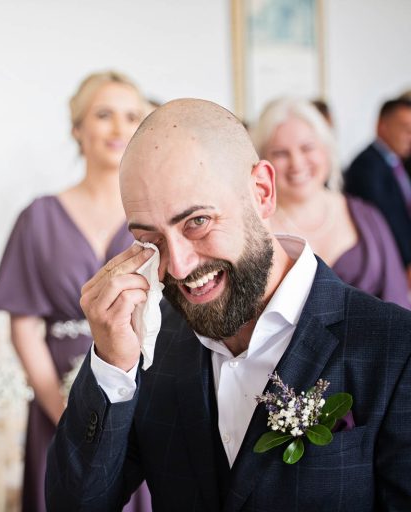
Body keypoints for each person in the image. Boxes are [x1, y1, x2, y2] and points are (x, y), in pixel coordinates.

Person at [46, 99, 411, 510]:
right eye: (151, 238)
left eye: (197, 222)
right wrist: (112, 366)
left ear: (262, 193)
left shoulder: (396, 349)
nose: (179, 266)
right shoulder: (148, 344)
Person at [0, 71, 153, 512]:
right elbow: (24, 325)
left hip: (144, 390)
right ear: (77, 128)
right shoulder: (38, 217)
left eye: (132, 116)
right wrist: (65, 412)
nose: (119, 128)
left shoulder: (157, 218)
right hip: (57, 395)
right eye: (104, 115)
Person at [252, 97, 409, 307]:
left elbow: (397, 301)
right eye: (280, 153)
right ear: (262, 162)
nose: (297, 164)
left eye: (307, 148)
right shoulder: (255, 230)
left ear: (326, 150)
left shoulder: (367, 216)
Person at [344, 97, 411, 287]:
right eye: (405, 128)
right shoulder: (367, 166)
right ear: (382, 127)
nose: (410, 135)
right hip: (391, 268)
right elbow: (389, 220)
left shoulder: (396, 162)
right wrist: (407, 261)